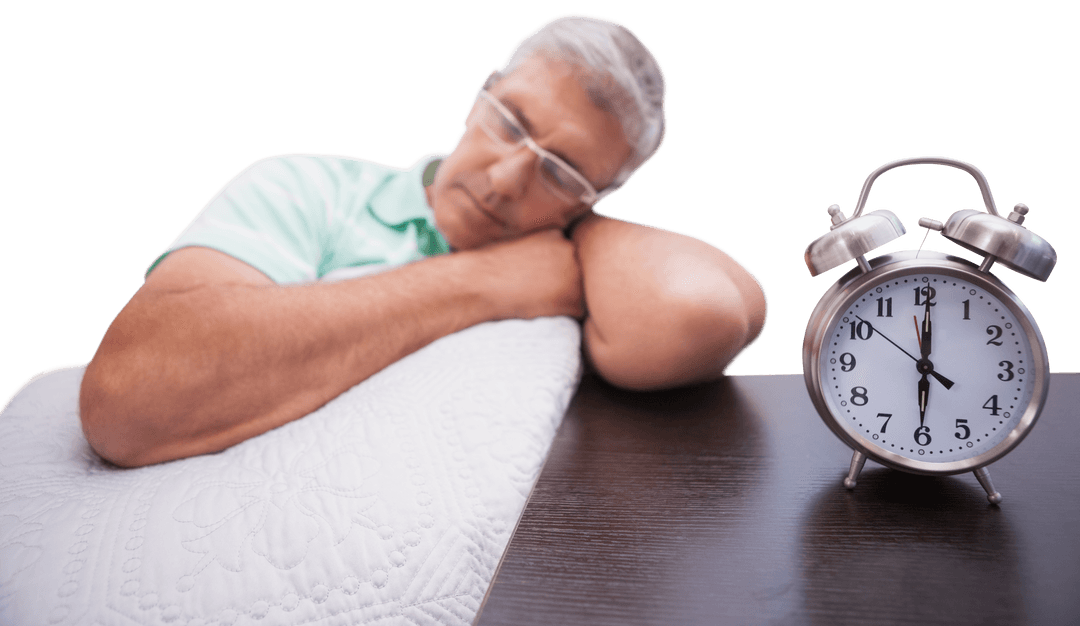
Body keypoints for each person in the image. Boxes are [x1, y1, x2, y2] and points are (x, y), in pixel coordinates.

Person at [79, 14, 769, 468]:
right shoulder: (304, 191)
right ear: (480, 93)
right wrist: (485, 284)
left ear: (598, 196)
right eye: (510, 122)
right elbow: (127, 400)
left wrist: (583, 230)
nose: (505, 181)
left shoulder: (581, 264)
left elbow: (695, 312)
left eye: (558, 172)